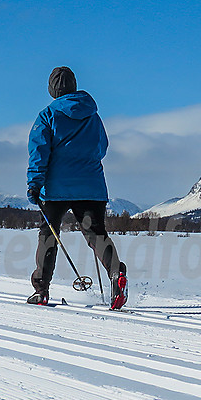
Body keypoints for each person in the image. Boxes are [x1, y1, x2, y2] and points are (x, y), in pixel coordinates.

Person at [26, 66, 127, 309]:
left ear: (52, 89)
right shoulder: (93, 115)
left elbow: (39, 151)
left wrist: (34, 183)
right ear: (74, 85)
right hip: (91, 186)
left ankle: (41, 290)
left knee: (48, 234)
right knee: (96, 234)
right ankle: (116, 275)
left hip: (55, 187)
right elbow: (101, 148)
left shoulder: (47, 115)